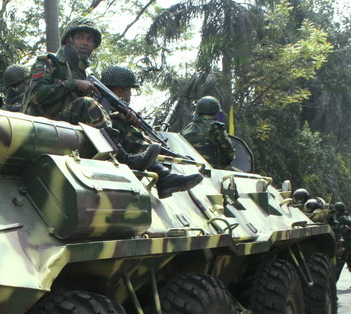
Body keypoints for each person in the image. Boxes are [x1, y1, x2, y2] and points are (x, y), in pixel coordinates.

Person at [23, 17, 201, 198]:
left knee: (118, 122)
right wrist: (72, 84)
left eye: (91, 40)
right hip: (42, 123)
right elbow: (37, 96)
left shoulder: (82, 71)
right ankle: (122, 158)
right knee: (88, 104)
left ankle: (162, 176)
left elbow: (90, 111)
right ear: (70, 39)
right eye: (81, 37)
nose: (86, 42)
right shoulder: (49, 62)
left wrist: (116, 117)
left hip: (67, 124)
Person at [99, 65, 203, 198]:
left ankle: (163, 175)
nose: (130, 94)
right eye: (129, 89)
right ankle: (162, 174)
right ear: (121, 89)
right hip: (107, 147)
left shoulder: (113, 110)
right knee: (132, 133)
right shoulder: (98, 105)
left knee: (134, 131)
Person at [181, 96, 236, 169]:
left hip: (189, 167)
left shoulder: (188, 127)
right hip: (212, 169)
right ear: (215, 110)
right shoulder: (216, 127)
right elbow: (229, 153)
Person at [332, 202, 351, 288]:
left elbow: (340, 233)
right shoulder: (350, 219)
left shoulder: (340, 220)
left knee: (338, 265)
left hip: (344, 245)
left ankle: (333, 285)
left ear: (337, 210)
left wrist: (339, 246)